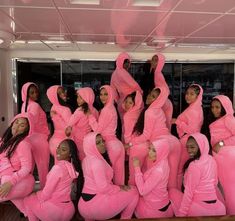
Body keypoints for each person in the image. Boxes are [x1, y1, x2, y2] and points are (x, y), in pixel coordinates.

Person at [128, 86, 181, 188]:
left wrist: (131, 143)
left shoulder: (150, 111)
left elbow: (146, 136)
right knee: (173, 177)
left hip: (160, 144)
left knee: (152, 176)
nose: (148, 97)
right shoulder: (160, 110)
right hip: (174, 141)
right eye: (150, 94)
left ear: (159, 99)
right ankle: (174, 201)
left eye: (153, 97)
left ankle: (153, 201)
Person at [78, 132, 139, 220]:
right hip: (96, 206)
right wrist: (119, 187)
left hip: (83, 205)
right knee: (134, 192)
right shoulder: (97, 162)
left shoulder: (86, 159)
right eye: (98, 143)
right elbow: (103, 188)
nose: (103, 144)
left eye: (102, 141)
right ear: (90, 145)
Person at [23, 139, 82, 221]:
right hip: (69, 210)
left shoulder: (57, 168)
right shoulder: (71, 167)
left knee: (28, 200)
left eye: (63, 150)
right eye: (58, 147)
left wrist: (36, 194)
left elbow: (46, 193)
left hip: (54, 210)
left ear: (70, 154)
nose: (58, 151)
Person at [169, 133, 226, 217]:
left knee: (172, 192)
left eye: (192, 147)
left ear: (201, 146)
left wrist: (182, 215)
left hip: (199, 209)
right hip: (219, 208)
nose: (189, 150)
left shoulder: (194, 166)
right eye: (187, 147)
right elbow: (215, 183)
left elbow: (188, 193)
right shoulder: (211, 160)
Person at [87, 85, 125, 185]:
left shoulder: (107, 109)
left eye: (106, 94)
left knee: (107, 176)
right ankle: (120, 198)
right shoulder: (111, 108)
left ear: (111, 95)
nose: (102, 97)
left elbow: (97, 130)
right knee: (119, 177)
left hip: (109, 145)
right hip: (117, 144)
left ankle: (111, 198)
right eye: (101, 94)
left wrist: (90, 117)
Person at [0, 113, 35, 213]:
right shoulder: (4, 142)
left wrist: (10, 183)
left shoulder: (23, 144)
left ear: (26, 130)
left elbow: (26, 168)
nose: (17, 126)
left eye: (22, 125)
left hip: (19, 181)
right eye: (16, 122)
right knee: (26, 209)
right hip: (7, 179)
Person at [172, 84, 203, 187]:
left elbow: (192, 129)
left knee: (180, 169)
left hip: (188, 141)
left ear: (197, 96)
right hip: (190, 140)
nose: (188, 96)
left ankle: (177, 191)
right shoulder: (195, 108)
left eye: (192, 94)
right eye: (187, 93)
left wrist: (177, 121)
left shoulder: (194, 110)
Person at [133, 139, 174, 218]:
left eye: (154, 151)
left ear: (162, 151)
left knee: (133, 198)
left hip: (155, 207)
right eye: (150, 149)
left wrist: (137, 167)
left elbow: (142, 191)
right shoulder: (164, 161)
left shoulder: (158, 171)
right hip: (163, 202)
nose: (149, 153)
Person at [209, 95, 235, 214]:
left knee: (229, 188)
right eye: (213, 107)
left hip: (227, 157)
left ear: (224, 107)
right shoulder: (219, 119)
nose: (214, 110)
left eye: (217, 107)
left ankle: (232, 213)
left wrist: (221, 143)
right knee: (223, 188)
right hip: (220, 158)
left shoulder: (228, 119)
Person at [21, 82, 50, 188]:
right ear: (26, 94)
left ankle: (25, 189)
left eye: (36, 92)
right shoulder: (35, 105)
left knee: (28, 167)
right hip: (39, 139)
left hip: (29, 139)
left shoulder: (24, 105)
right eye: (32, 93)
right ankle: (45, 190)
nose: (35, 94)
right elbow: (31, 123)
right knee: (43, 168)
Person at [65, 87, 98, 160]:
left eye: (81, 98)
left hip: (78, 139)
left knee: (80, 158)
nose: (78, 100)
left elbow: (70, 122)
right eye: (77, 97)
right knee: (86, 157)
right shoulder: (95, 111)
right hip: (88, 139)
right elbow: (95, 127)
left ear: (87, 98)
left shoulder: (80, 110)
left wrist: (68, 128)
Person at [110, 52, 142, 117]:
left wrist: (118, 101)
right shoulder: (122, 71)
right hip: (130, 101)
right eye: (125, 62)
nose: (127, 64)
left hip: (121, 102)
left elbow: (112, 90)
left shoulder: (114, 74)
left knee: (124, 123)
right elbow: (134, 84)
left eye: (128, 62)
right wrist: (140, 93)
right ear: (120, 62)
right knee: (133, 122)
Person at [47, 85, 72, 163]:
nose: (63, 94)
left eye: (63, 91)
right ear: (54, 96)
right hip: (64, 142)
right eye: (60, 93)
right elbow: (68, 128)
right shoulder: (66, 109)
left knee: (58, 168)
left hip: (54, 141)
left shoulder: (53, 107)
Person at [153, 54, 173, 131]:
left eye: (155, 60)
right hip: (163, 101)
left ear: (160, 63)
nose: (153, 62)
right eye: (152, 60)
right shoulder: (156, 73)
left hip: (164, 102)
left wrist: (159, 98)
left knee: (165, 126)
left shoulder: (158, 74)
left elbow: (166, 90)